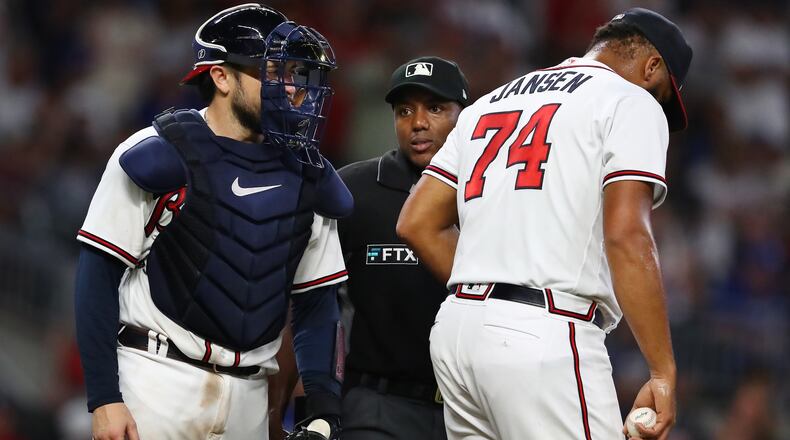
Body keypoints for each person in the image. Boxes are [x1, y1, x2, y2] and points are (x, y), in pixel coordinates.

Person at [397, 8, 692, 440]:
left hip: (457, 334)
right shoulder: (631, 99)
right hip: (545, 336)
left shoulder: (492, 100)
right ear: (651, 67)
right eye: (665, 93)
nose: (660, 105)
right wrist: (662, 370)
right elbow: (628, 234)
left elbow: (416, 222)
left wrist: (490, 292)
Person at [74, 4, 351, 439]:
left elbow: (318, 304)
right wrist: (104, 398)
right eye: (275, 71)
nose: (293, 88)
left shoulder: (308, 173)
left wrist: (322, 404)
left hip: (251, 398)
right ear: (221, 76)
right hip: (156, 381)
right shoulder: (159, 152)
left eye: (296, 73)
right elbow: (97, 275)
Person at [337, 56, 469, 439]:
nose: (418, 123)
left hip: (469, 409)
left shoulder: (492, 194)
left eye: (436, 108)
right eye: (404, 110)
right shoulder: (354, 190)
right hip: (376, 406)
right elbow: (310, 298)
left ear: (467, 116)